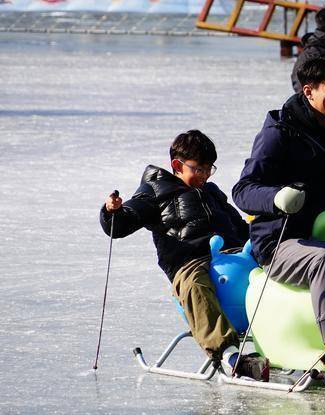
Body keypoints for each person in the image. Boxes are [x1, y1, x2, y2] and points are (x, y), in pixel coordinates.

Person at [233, 54, 325, 393]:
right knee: (323, 257)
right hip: (281, 241)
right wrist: (277, 197)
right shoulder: (280, 132)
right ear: (309, 91)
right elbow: (243, 190)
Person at [99, 130, 269, 381]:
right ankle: (231, 356)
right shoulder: (155, 191)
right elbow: (126, 220)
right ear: (177, 165)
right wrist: (113, 212)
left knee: (275, 272)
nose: (205, 175)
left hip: (235, 256)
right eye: (199, 169)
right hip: (190, 261)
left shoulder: (211, 192)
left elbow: (239, 226)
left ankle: (293, 344)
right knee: (195, 285)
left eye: (209, 169)